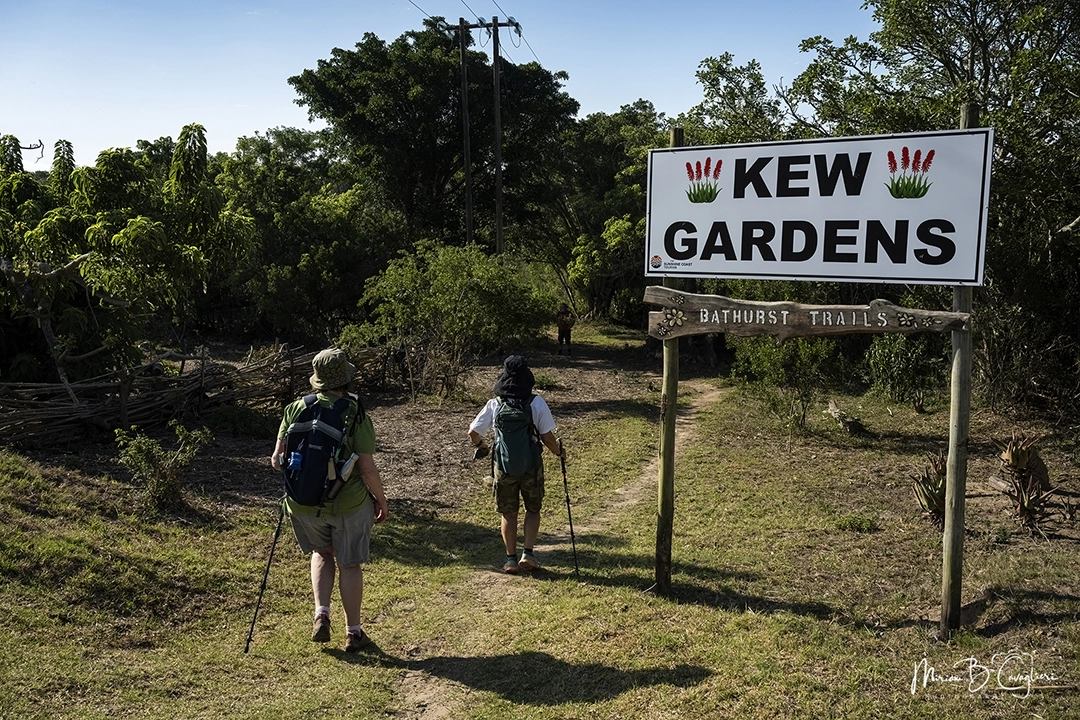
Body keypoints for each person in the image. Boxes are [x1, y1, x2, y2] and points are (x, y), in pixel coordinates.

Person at [270, 348, 388, 652]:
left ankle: (321, 615)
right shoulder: (354, 411)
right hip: (347, 503)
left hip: (302, 504)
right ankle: (354, 632)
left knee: (322, 553)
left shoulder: (295, 408)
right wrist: (381, 499)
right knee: (349, 564)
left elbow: (276, 460)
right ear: (345, 379)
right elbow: (366, 467)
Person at [468, 355, 565, 574]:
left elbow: (473, 432)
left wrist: (483, 447)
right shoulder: (536, 403)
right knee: (533, 509)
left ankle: (510, 559)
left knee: (508, 513)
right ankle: (527, 554)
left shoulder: (495, 404)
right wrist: (559, 453)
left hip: (503, 467)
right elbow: (548, 438)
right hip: (531, 465)